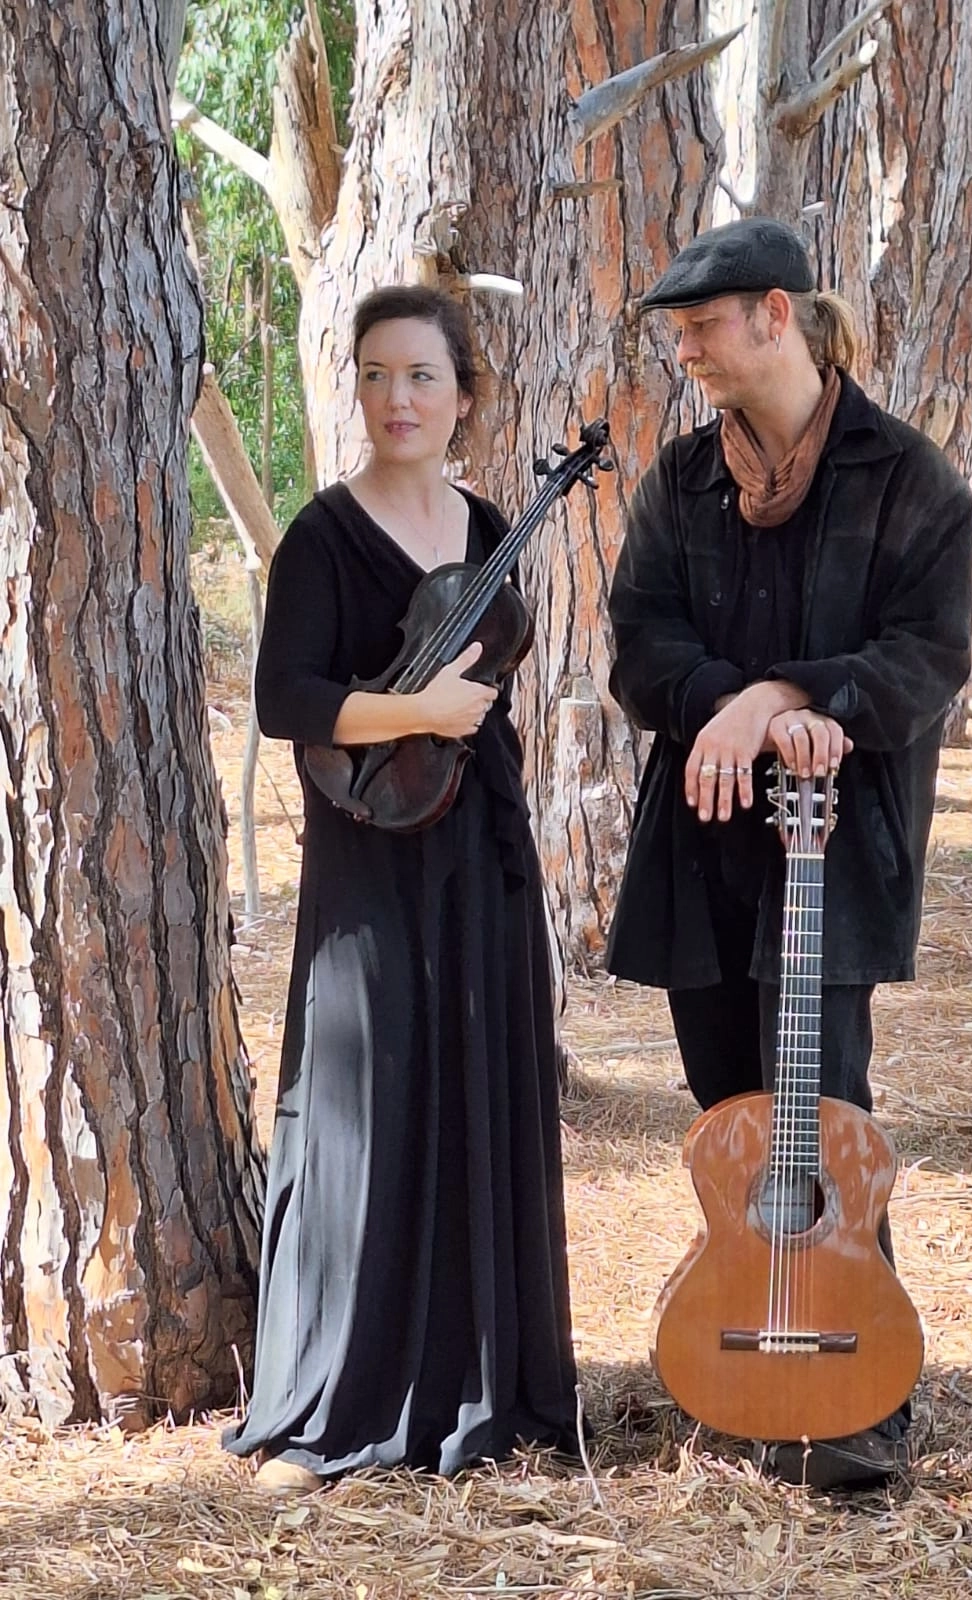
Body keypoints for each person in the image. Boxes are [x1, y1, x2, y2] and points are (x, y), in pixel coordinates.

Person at [605, 218, 972, 1488]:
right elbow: (635, 642)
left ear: (775, 313)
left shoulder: (913, 480)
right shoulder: (679, 482)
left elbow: (924, 664)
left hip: (837, 850)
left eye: (704, 329)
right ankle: (751, 1362)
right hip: (705, 851)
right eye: (679, 336)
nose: (689, 354)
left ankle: (861, 1399)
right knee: (730, 1119)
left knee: (829, 1126)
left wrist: (774, 699)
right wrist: (725, 699)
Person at [223, 285, 579, 1493]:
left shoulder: (488, 525)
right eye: (375, 375)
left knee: (478, 1079)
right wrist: (415, 710)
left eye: (421, 376)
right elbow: (288, 700)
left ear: (463, 395)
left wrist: (452, 723)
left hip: (477, 836)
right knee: (365, 1098)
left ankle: (487, 1379)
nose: (396, 399)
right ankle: (343, 1394)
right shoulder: (323, 535)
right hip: (369, 846)